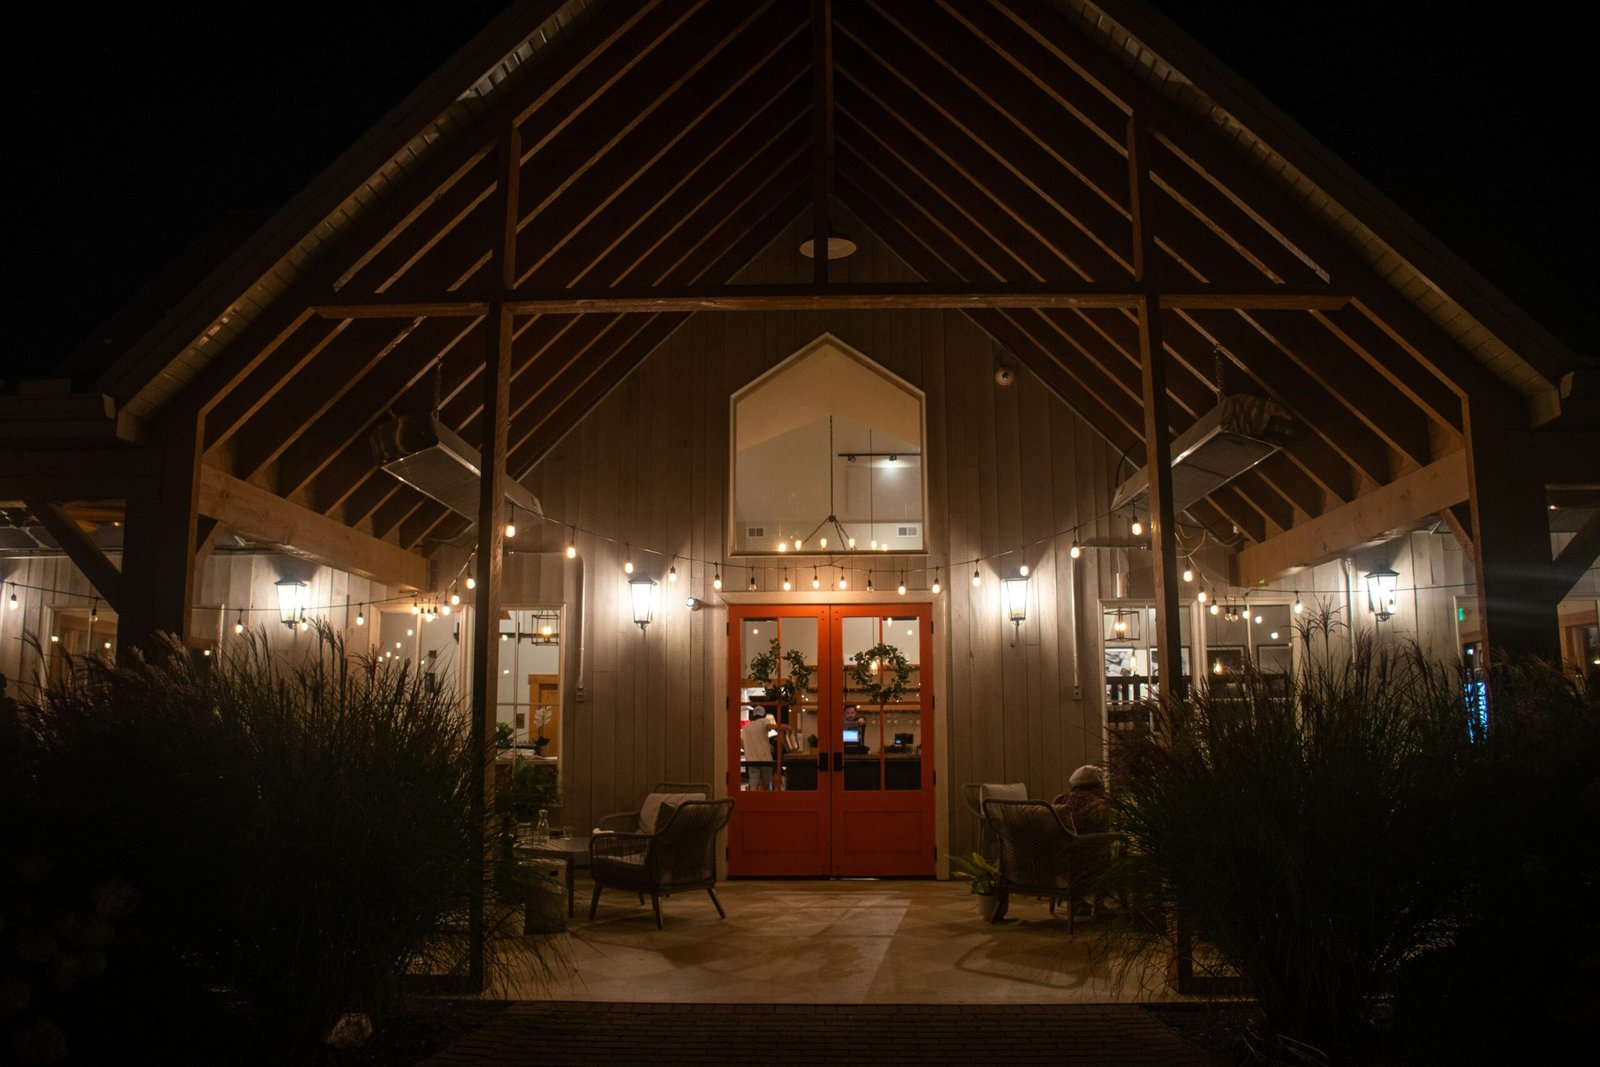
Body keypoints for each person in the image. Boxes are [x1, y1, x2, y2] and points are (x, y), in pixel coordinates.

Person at [1054, 764, 1110, 834]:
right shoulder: (1098, 804)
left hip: (1060, 842)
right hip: (1088, 842)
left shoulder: (1060, 800)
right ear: (1099, 785)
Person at [741, 712, 778, 790]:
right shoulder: (763, 721)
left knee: (753, 786)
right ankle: (766, 801)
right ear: (764, 716)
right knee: (767, 785)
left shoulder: (746, 727)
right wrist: (785, 727)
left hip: (752, 761)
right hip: (765, 760)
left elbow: (742, 745)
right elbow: (770, 727)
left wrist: (752, 748)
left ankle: (754, 800)